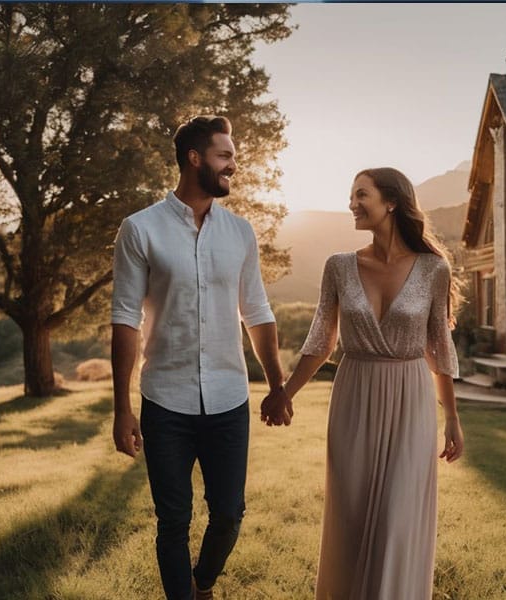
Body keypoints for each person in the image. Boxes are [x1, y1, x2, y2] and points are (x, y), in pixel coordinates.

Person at [111, 115, 292, 600]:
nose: (234, 164)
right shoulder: (140, 229)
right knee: (173, 521)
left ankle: (202, 582)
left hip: (229, 399)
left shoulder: (240, 233)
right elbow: (125, 318)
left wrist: (277, 385)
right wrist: (122, 408)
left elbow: (256, 311)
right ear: (195, 159)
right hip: (165, 400)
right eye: (225, 156)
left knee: (229, 513)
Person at [266, 167, 464, 599]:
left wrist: (451, 416)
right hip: (355, 395)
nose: (352, 204)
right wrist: (284, 393)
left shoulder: (434, 269)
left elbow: (439, 347)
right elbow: (321, 340)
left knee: (398, 515)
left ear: (391, 202)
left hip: (411, 398)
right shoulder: (338, 266)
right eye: (351, 196)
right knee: (352, 518)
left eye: (361, 195)